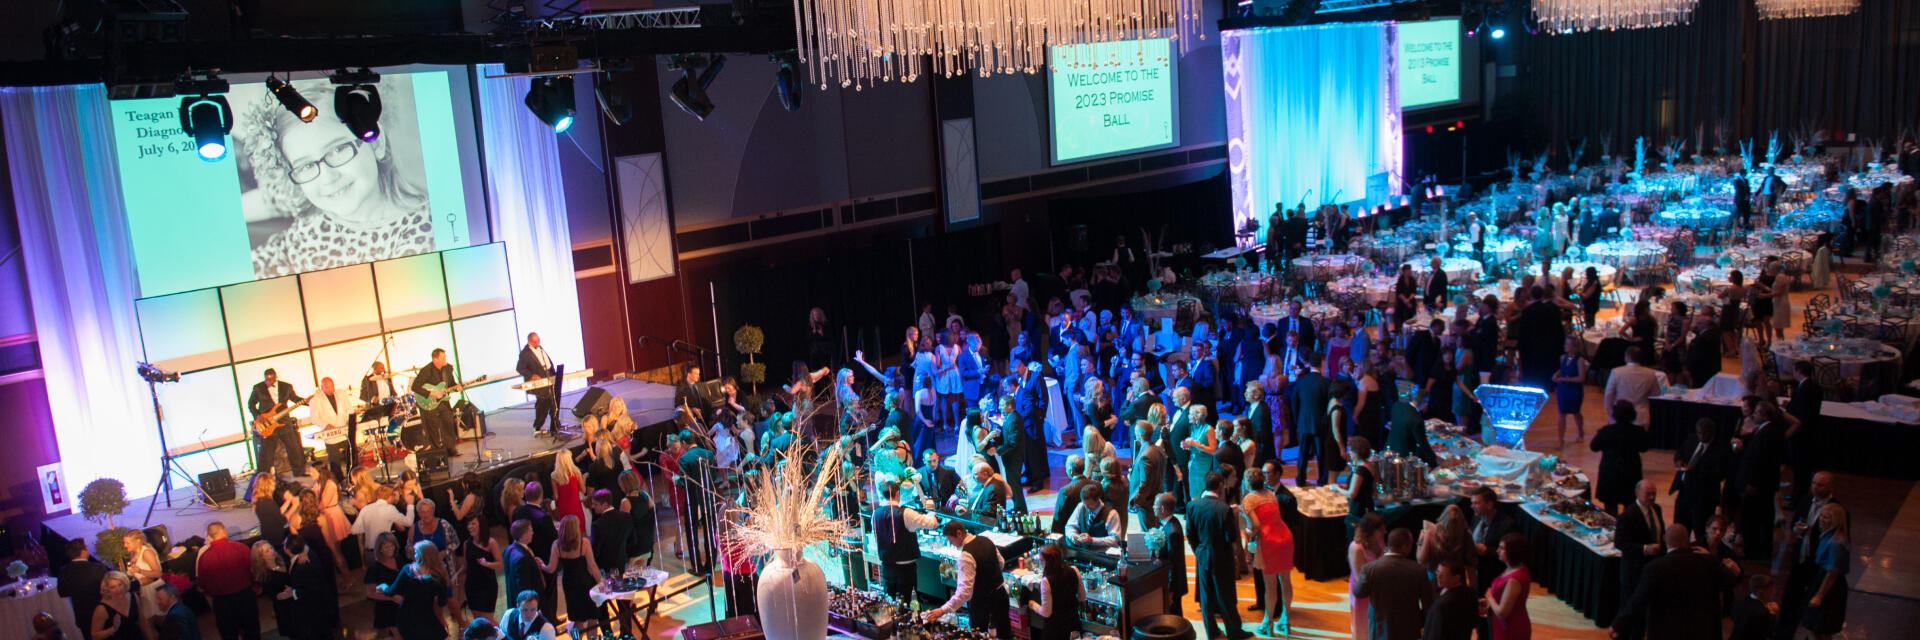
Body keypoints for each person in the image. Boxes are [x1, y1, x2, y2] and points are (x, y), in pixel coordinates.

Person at [1613, 524, 1737, 640]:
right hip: (1700, 629)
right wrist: (1713, 559)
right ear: (1687, 541)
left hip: (1666, 631)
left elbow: (1638, 600)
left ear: (1665, 540)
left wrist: (1618, 624)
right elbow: (1729, 581)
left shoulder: (1655, 567)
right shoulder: (1707, 562)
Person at [1185, 472, 1249, 640]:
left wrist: (1198, 551)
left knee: (1206, 598)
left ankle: (1212, 632)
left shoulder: (1193, 506)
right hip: (1222, 558)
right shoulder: (1224, 509)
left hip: (1203, 555)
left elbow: (1190, 534)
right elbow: (1232, 537)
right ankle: (1234, 632)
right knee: (1225, 596)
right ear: (1220, 486)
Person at [923, 521, 1012, 639]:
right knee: (1004, 633)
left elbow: (964, 592)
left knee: (979, 636)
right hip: (1000, 596)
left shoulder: (966, 556)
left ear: (959, 534)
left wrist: (943, 610)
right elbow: (1000, 563)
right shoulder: (986, 540)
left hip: (982, 604)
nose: (950, 544)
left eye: (950, 540)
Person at [1239, 468, 1294, 636]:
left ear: (1247, 482)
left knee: (1270, 586)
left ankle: (1268, 624)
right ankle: (1286, 620)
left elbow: (1255, 525)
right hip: (1284, 536)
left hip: (1268, 541)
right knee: (1285, 581)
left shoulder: (1248, 499)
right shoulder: (1271, 494)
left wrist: (1247, 532)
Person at [1352, 528, 1433, 640]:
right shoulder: (1418, 570)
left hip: (1379, 628)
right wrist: (1419, 622)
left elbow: (1358, 592)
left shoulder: (1370, 569)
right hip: (1409, 629)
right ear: (1405, 547)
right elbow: (1428, 604)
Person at [1612, 480, 1666, 640]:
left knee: (1644, 612)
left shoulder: (1657, 509)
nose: (1652, 497)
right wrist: (1644, 549)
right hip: (1633, 571)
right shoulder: (1628, 515)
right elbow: (1620, 543)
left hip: (1652, 568)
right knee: (1629, 609)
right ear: (1637, 494)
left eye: (1654, 494)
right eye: (1648, 494)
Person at [874, 480, 939, 603]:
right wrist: (931, 512)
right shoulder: (906, 513)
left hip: (886, 568)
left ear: (882, 495)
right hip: (905, 570)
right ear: (898, 493)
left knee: (890, 602)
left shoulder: (875, 514)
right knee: (908, 603)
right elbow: (932, 524)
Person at [196, 522, 259, 640]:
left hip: (222, 603)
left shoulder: (205, 557)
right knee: (252, 630)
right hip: (245, 597)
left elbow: (202, 585)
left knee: (228, 634)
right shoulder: (241, 548)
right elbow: (253, 571)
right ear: (223, 531)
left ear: (210, 536)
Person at [541, 516, 604, 633]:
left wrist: (541, 565)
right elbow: (592, 566)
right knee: (592, 619)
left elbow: (551, 569)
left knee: (578, 619)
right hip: (586, 583)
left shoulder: (557, 545)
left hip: (569, 584)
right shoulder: (584, 542)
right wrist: (601, 582)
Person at [1589, 401, 1650, 515]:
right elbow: (1644, 448)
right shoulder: (1638, 432)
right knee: (1630, 504)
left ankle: (1611, 531)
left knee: (1610, 507)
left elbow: (1594, 447)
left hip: (1610, 472)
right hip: (1631, 471)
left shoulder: (1607, 431)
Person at [1800, 503, 1851, 640]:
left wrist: (1819, 596)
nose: (1822, 519)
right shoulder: (1827, 536)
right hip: (1821, 578)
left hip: (1829, 587)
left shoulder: (1836, 542)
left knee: (1816, 626)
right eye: (1821, 516)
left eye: (1826, 517)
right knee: (1818, 627)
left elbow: (1832, 572)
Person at [1672, 418, 1727, 542]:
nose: (1701, 436)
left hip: (1704, 497)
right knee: (1680, 526)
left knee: (1700, 530)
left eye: (1705, 433)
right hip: (1684, 491)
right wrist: (1679, 460)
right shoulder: (1691, 439)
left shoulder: (1721, 449)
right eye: (1699, 433)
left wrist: (1696, 471)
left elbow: (1720, 474)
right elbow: (1680, 452)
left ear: (1712, 433)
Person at [247, 368, 307, 476]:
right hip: (268, 424)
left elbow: (295, 399)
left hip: (284, 423)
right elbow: (251, 404)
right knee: (266, 455)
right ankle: (262, 478)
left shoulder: (286, 387)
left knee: (295, 450)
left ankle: (300, 474)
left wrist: (308, 402)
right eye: (266, 380)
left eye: (271, 379)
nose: (268, 382)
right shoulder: (258, 388)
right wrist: (257, 416)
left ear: (276, 377)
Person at [1024, 543, 1085, 640]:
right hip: (1073, 624)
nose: (1042, 563)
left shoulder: (1046, 581)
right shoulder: (1074, 570)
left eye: (1041, 560)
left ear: (1047, 561)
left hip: (1055, 629)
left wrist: (1033, 605)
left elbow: (1046, 612)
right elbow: (1082, 597)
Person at [409, 348, 465, 453]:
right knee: (432, 428)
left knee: (448, 421)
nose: (445, 359)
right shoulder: (426, 370)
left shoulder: (448, 369)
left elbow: (451, 384)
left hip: (443, 401)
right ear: (435, 359)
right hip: (428, 402)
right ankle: (437, 452)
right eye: (442, 357)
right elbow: (415, 387)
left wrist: (456, 388)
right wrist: (431, 393)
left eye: (445, 357)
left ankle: (450, 449)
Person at [1288, 361, 1334, 486]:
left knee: (1302, 451)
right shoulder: (1326, 382)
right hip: (1320, 422)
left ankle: (1300, 479)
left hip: (1304, 421)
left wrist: (1298, 419)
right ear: (1321, 365)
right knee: (1321, 453)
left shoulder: (1301, 381)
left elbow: (1294, 401)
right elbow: (1329, 403)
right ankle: (1322, 479)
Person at [1481, 533, 1531, 640]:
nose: (1498, 551)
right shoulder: (1512, 569)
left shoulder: (1515, 579)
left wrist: (1490, 598)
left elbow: (1502, 613)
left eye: (1502, 548)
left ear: (1512, 552)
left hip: (1511, 628)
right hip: (1503, 625)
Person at [307, 377, 357, 481]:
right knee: (334, 460)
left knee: (352, 454)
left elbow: (349, 408)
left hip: (344, 430)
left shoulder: (341, 393)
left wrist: (349, 419)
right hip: (331, 434)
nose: (331, 389)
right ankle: (339, 480)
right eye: (328, 387)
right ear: (322, 387)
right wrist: (325, 425)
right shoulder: (315, 400)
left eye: (332, 386)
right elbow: (314, 418)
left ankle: (353, 476)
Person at [1603, 347, 1666, 428]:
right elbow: (1656, 394)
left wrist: (1610, 412)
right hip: (1641, 416)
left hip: (1620, 415)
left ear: (1627, 357)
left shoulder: (1617, 372)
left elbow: (1608, 394)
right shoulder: (1650, 373)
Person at [1148, 493, 1188, 615]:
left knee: (1174, 617)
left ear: (1163, 509)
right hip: (1169, 582)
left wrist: (1170, 590)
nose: (1153, 507)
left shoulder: (1172, 531)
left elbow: (1173, 563)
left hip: (1172, 585)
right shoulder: (1169, 524)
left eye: (1155, 505)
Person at [1346, 514, 1385, 640]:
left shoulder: (1378, 542)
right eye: (1381, 530)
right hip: (1363, 593)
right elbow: (1360, 578)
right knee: (1362, 627)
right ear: (1371, 531)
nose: (1385, 532)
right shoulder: (1356, 548)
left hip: (1376, 591)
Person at [502, 521, 547, 629]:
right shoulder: (522, 558)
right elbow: (524, 587)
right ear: (523, 535)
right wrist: (533, 609)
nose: (533, 533)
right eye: (530, 530)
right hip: (528, 611)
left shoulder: (509, 550)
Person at [516, 332, 563, 436]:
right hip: (539, 383)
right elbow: (520, 368)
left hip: (550, 378)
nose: (538, 343)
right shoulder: (525, 353)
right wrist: (532, 375)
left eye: (538, 340)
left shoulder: (541, 349)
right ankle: (537, 425)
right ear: (529, 342)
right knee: (543, 404)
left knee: (554, 401)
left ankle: (555, 424)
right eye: (535, 341)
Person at [60, 540, 110, 632]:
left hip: (82, 617)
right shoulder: (97, 568)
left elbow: (62, 593)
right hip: (103, 614)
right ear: (83, 552)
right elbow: (109, 589)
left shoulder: (64, 571)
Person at [251, 542, 297, 640]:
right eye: (267, 551)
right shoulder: (265, 576)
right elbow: (274, 596)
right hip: (286, 610)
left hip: (298, 602)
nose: (272, 551)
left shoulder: (284, 559)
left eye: (271, 548)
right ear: (261, 557)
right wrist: (285, 594)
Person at [1423, 560, 1478, 640]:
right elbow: (1474, 622)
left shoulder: (1442, 605)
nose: (1438, 577)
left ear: (1456, 578)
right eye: (1438, 572)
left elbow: (1435, 634)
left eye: (1443, 575)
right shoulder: (1470, 593)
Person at [460, 517, 502, 620]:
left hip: (487, 585)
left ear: (481, 525)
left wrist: (486, 564)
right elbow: (466, 566)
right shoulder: (466, 544)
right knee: (477, 620)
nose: (470, 527)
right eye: (468, 524)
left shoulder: (491, 542)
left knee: (488, 620)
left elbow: (500, 564)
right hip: (472, 585)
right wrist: (455, 576)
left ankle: (503, 635)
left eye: (473, 524)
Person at [366, 532, 405, 639]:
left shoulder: (398, 559)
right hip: (388, 607)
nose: (390, 548)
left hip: (402, 603)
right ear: (380, 548)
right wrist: (392, 597)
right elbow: (370, 593)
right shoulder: (375, 568)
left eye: (392, 545)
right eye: (386, 546)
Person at [1129, 421, 1168, 522]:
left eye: (1136, 432)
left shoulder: (1146, 455)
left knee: (1148, 533)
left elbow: (1145, 483)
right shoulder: (1157, 450)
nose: (1134, 435)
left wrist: (1137, 501)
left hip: (1146, 503)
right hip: (1154, 498)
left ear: (1141, 435)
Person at [1551, 336, 1587, 444]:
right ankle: (1560, 439)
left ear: (1574, 347)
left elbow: (1582, 378)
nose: (1565, 346)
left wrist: (1565, 379)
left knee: (1576, 413)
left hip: (1574, 390)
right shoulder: (1563, 358)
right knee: (1562, 413)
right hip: (1563, 389)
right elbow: (1562, 370)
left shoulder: (1580, 360)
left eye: (1568, 344)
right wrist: (1556, 375)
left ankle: (1580, 432)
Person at [1065, 484, 1123, 550]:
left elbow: (1115, 540)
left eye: (1090, 505)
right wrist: (1073, 535)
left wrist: (1092, 540)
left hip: (1101, 555)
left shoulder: (1112, 514)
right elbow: (1069, 526)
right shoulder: (1081, 506)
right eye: (1085, 505)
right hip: (1083, 552)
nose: (1087, 509)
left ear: (1098, 499)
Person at [90, 572, 143, 640]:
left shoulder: (133, 596)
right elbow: (94, 636)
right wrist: (113, 629)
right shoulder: (102, 609)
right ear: (107, 589)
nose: (118, 589)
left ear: (125, 583)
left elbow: (142, 622)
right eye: (113, 587)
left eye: (120, 585)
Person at [1182, 405, 1219, 502]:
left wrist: (1195, 444)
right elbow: (1194, 446)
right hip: (1193, 465)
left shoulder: (1209, 429)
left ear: (1196, 416)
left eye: (1190, 414)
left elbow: (1213, 450)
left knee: (1202, 491)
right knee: (1193, 493)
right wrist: (1187, 446)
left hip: (1203, 466)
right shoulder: (1194, 427)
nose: (1188, 416)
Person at [121, 531, 161, 620]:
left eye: (127, 543)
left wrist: (140, 570)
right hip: (144, 590)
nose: (125, 545)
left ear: (138, 541)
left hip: (154, 590)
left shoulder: (146, 552)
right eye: (124, 543)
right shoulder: (133, 553)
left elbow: (158, 573)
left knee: (159, 619)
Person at [1343, 436, 1377, 537]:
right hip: (1368, 507)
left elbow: (1352, 494)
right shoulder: (1369, 465)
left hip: (1359, 512)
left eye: (1351, 451)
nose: (1350, 454)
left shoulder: (1360, 471)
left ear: (1356, 453)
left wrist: (1335, 488)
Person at [1729, 575, 1778, 640]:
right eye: (1771, 591)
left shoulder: (1739, 601)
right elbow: (1769, 634)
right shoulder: (1762, 613)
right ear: (1761, 593)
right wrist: (1772, 613)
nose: (1774, 593)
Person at [1685, 309, 1724, 388]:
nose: (1697, 326)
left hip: (1702, 370)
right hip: (1711, 368)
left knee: (1699, 388)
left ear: (1706, 325)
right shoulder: (1714, 334)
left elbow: (1697, 355)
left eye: (1699, 324)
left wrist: (1689, 368)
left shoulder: (1703, 338)